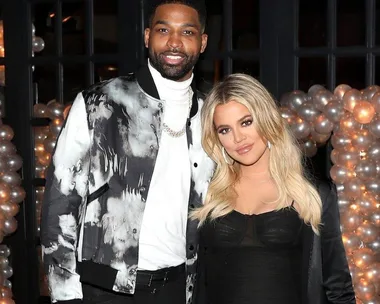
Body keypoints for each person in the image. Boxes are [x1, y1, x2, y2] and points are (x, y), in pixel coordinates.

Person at [40, 1, 215, 304]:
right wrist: (65, 292)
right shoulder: (99, 103)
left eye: (187, 32)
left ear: (202, 42)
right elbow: (61, 199)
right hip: (104, 287)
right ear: (148, 36)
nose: (174, 42)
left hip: (178, 287)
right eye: (164, 30)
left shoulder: (212, 114)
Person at [191, 73, 356, 304]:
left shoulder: (313, 196)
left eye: (246, 122)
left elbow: (338, 289)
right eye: (225, 130)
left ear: (267, 119)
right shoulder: (206, 194)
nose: (238, 138)